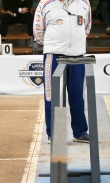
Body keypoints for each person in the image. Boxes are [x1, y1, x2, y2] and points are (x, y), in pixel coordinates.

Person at [33, 0, 91, 143]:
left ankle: (80, 132)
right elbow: (38, 31)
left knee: (78, 95)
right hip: (54, 55)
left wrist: (75, 44)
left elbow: (87, 27)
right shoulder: (45, 4)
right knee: (52, 96)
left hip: (78, 55)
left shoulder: (84, 2)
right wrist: (56, 44)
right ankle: (54, 133)